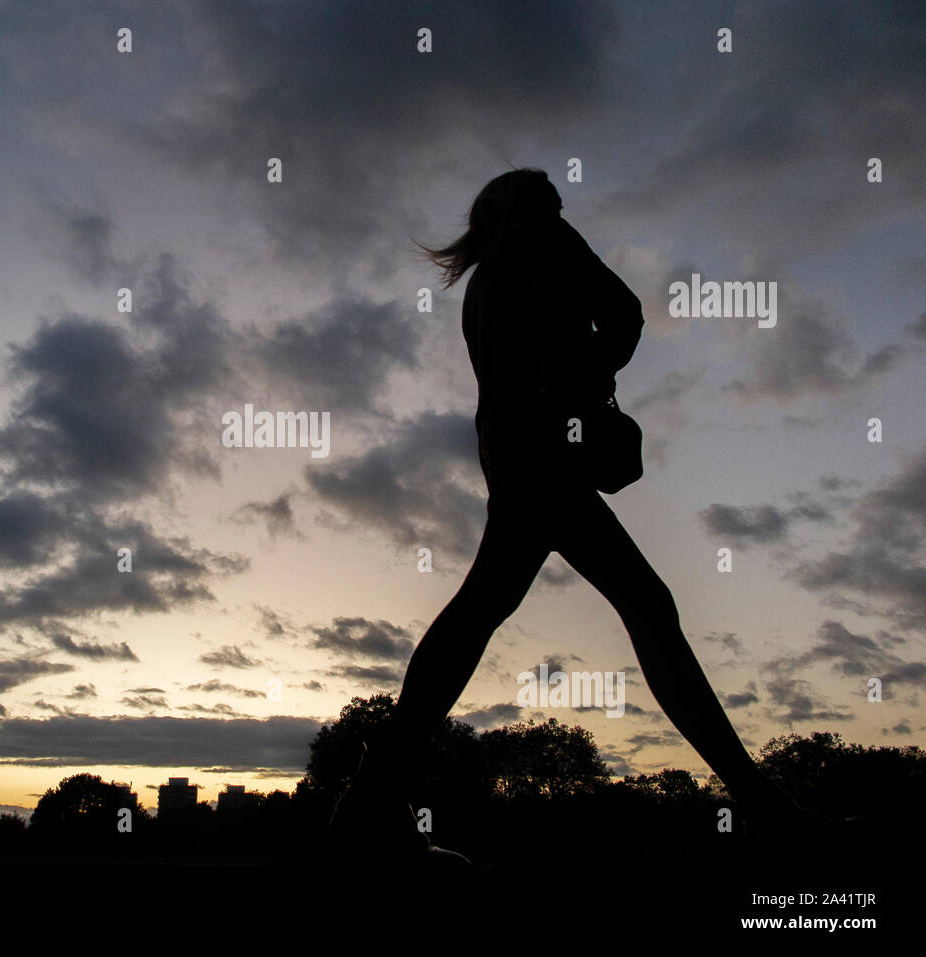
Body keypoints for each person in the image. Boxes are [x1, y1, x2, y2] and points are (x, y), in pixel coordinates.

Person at [329, 168, 825, 861]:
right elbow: (624, 314)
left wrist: (576, 382)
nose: (563, 215)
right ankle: (765, 805)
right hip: (543, 460)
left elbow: (539, 361)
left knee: (489, 610)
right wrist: (591, 377)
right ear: (521, 209)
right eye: (552, 205)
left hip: (516, 457)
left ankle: (370, 799)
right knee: (638, 604)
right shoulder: (538, 245)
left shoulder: (489, 275)